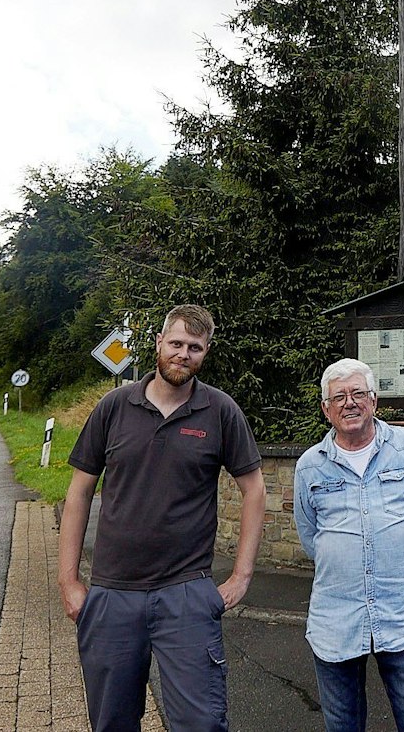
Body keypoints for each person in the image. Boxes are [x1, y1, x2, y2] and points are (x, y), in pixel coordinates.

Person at [58, 304, 268, 732]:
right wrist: (69, 581)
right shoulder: (115, 406)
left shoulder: (220, 411)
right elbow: (79, 492)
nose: (183, 354)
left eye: (195, 347)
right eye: (176, 343)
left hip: (186, 593)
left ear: (206, 352)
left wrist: (242, 576)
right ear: (158, 343)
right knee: (112, 722)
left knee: (201, 722)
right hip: (113, 593)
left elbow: (254, 489)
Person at [292, 358, 404, 732]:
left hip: (402, 614)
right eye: (338, 397)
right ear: (326, 410)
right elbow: (310, 535)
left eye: (358, 393)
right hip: (336, 621)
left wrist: (397, 554)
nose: (349, 402)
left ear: (374, 401)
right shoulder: (310, 466)